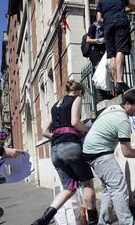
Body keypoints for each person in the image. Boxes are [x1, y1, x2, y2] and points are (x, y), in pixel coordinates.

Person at [32, 80, 98, 225]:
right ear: (80, 91)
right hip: (70, 147)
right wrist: (88, 130)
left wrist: (59, 136)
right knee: (87, 184)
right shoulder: (77, 98)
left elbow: (44, 132)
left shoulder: (56, 105)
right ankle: (93, 222)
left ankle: (44, 219)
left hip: (55, 151)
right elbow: (75, 122)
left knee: (69, 189)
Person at [83, 89, 135, 224]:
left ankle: (103, 222)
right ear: (127, 104)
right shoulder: (123, 121)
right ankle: (127, 223)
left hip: (89, 151)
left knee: (110, 187)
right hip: (99, 152)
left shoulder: (112, 108)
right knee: (119, 186)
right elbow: (127, 152)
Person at [96, 0, 134, 96]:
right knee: (120, 50)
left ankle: (116, 83)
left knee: (111, 54)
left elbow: (98, 19)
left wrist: (107, 21)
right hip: (120, 22)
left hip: (108, 26)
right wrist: (123, 10)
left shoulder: (101, 1)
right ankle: (120, 81)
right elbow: (132, 7)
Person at [86, 21, 113, 102]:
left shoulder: (107, 26)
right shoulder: (93, 27)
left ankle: (108, 92)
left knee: (107, 71)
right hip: (95, 52)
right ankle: (101, 94)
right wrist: (98, 40)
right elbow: (88, 40)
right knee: (99, 71)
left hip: (104, 51)